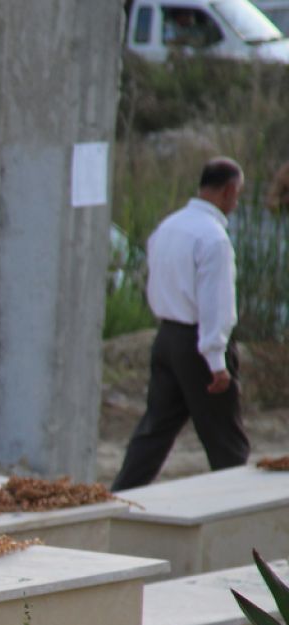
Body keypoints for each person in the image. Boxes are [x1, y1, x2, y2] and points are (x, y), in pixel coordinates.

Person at [113, 157, 248, 491]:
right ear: (229, 191)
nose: (237, 201)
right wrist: (217, 362)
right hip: (199, 344)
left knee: (155, 430)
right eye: (238, 193)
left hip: (167, 337)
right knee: (226, 442)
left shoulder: (169, 226)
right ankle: (236, 511)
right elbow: (215, 304)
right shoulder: (214, 238)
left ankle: (121, 496)